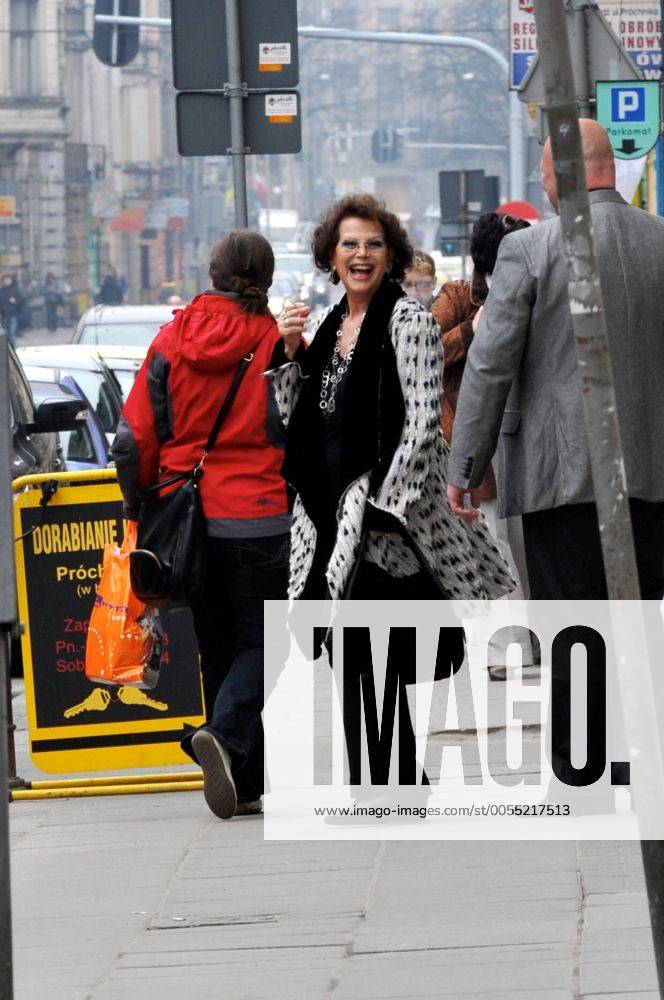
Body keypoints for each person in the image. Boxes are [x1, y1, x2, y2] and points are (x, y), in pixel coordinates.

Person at [447, 120, 664, 789]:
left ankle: (582, 762)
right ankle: (645, 755)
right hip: (654, 472)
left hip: (557, 474)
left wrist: (465, 466)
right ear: (610, 169)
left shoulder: (533, 249)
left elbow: (488, 366)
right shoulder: (660, 242)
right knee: (645, 619)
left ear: (557, 174)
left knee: (573, 619)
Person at [271, 194, 514, 790]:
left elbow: (424, 424)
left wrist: (387, 507)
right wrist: (288, 356)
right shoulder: (329, 323)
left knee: (380, 647)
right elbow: (296, 419)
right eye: (350, 244)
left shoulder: (408, 322)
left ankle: (397, 774)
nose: (361, 255)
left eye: (373, 245)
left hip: (383, 518)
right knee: (349, 649)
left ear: (391, 255)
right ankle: (379, 774)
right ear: (331, 255)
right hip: (330, 512)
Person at [112, 230, 291, 820]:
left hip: (184, 522)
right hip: (259, 515)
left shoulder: (169, 340)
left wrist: (137, 508)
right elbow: (294, 429)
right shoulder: (275, 341)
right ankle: (224, 731)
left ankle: (243, 781)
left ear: (211, 274)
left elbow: (133, 438)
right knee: (268, 643)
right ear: (262, 279)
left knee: (217, 645)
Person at [433, 212, 533, 681]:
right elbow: (426, 350)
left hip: (530, 433)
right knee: (496, 544)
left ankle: (534, 639)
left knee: (529, 543)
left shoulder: (537, 287)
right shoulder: (458, 297)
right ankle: (508, 647)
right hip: (481, 434)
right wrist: (474, 327)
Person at [0, 274, 23, 346]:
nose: (7, 281)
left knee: (12, 332)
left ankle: (13, 347)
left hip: (13, 313)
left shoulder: (15, 289)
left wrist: (15, 301)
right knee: (5, 333)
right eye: (5, 280)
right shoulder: (1, 290)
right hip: (4, 314)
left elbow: (21, 300)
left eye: (8, 279)